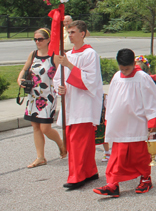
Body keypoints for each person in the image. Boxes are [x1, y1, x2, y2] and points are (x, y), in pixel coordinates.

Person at [92, 49, 156, 197]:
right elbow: (111, 100)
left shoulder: (142, 78)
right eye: (121, 68)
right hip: (119, 125)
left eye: (127, 68)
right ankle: (113, 184)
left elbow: (152, 101)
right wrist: (109, 119)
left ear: (133, 63)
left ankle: (145, 179)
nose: (124, 71)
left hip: (137, 123)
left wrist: (152, 122)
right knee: (117, 156)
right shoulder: (117, 77)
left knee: (139, 155)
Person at [54, 20, 103, 190]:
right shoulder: (68, 54)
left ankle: (76, 176)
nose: (70, 35)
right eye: (68, 32)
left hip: (84, 105)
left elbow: (90, 81)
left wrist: (68, 64)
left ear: (83, 34)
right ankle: (90, 171)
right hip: (70, 102)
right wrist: (59, 87)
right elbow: (58, 77)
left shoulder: (90, 54)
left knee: (77, 142)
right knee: (83, 142)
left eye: (73, 32)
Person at [17, 28, 65, 168]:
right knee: (35, 126)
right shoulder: (33, 55)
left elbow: (62, 74)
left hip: (48, 96)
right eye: (35, 39)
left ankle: (61, 143)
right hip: (33, 95)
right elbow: (25, 69)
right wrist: (20, 79)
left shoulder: (54, 56)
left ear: (48, 39)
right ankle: (40, 157)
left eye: (40, 39)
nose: (37, 42)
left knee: (45, 128)